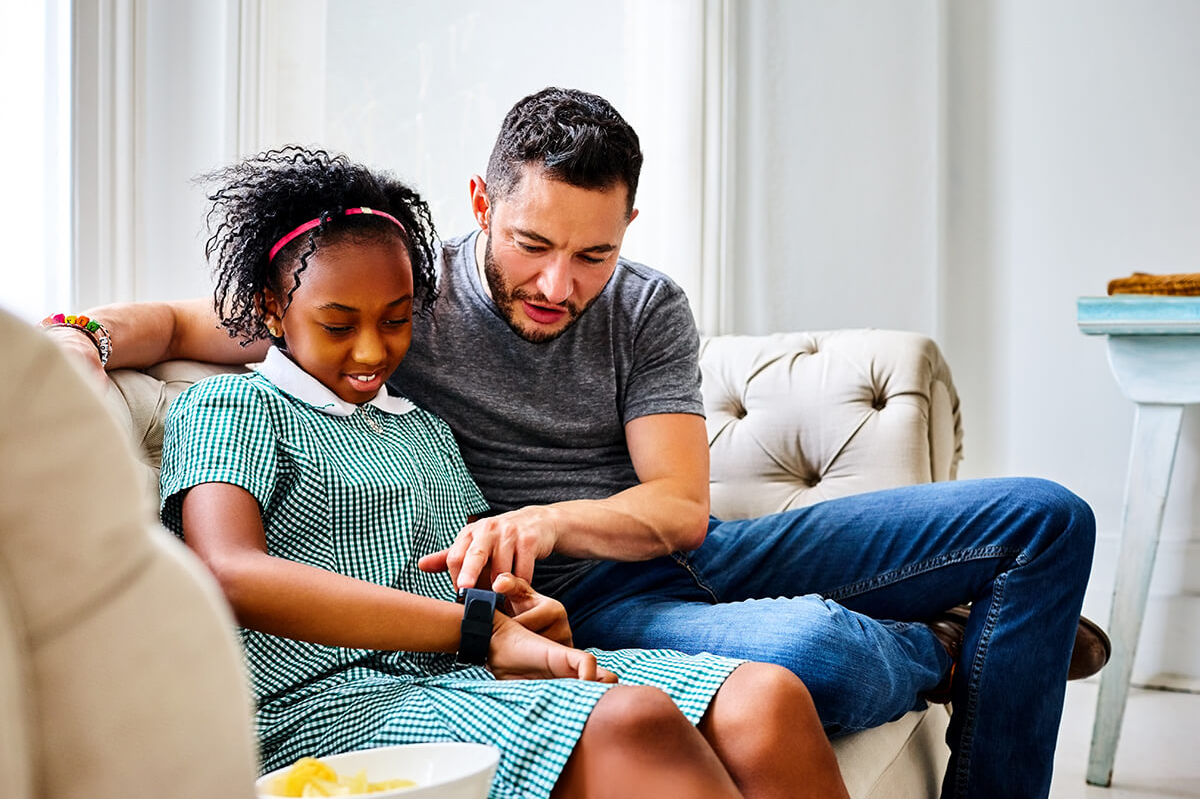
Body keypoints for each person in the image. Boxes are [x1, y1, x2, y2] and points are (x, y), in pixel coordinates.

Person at [47, 88, 1107, 799]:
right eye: (535, 245)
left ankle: (972, 652)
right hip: (470, 641)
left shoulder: (587, 333)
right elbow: (226, 335)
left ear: (631, 227)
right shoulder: (356, 324)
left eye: (594, 252)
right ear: (482, 207)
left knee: (1039, 523)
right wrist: (84, 337)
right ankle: (944, 645)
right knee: (809, 656)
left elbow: (675, 508)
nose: (561, 284)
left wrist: (527, 561)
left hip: (656, 550)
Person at [151, 145, 849, 799]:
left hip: (464, 673)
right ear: (273, 308)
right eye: (338, 324)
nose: (372, 349)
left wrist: (527, 611)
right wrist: (478, 629)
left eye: (396, 321)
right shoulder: (231, 406)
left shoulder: (422, 429)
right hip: (328, 705)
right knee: (631, 719)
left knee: (768, 696)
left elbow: (479, 585)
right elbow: (230, 573)